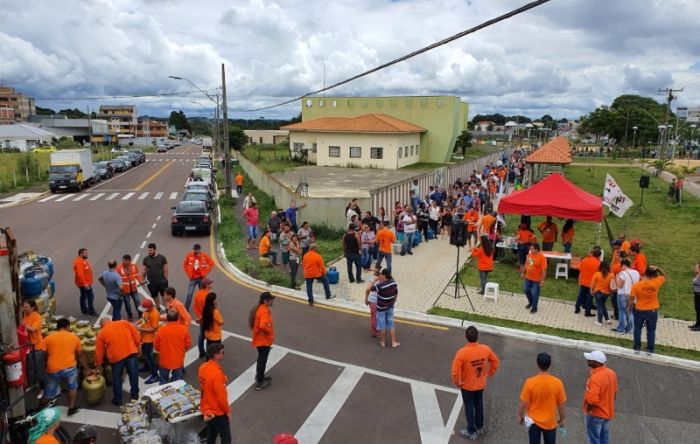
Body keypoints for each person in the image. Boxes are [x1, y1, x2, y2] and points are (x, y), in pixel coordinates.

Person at [451, 326, 500, 440]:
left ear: (466, 337)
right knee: (479, 404)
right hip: (480, 384)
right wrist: (489, 373)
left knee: (469, 406)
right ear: (478, 336)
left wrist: (458, 382)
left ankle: (471, 431)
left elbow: (455, 372)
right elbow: (495, 362)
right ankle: (480, 427)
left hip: (467, 386)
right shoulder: (485, 349)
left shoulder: (462, 353)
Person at [42, 318, 92, 417]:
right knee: (72, 387)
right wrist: (87, 369)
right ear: (67, 326)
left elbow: (43, 354)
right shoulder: (74, 337)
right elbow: (81, 355)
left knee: (49, 391)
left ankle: (42, 410)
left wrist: (45, 367)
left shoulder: (48, 338)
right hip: (69, 367)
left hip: (53, 368)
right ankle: (71, 408)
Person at [518, 352, 567, 444]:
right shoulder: (558, 383)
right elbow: (561, 406)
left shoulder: (530, 382)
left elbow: (523, 405)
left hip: (533, 422)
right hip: (550, 422)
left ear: (537, 364)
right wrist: (561, 419)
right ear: (550, 365)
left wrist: (521, 417)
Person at [95, 318, 141, 406]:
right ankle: (135, 397)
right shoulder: (124, 323)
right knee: (133, 375)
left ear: (101, 325)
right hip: (131, 352)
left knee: (117, 378)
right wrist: (138, 346)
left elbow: (99, 352)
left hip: (116, 358)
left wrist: (98, 364)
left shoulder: (101, 333)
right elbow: (135, 334)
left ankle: (118, 399)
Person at [582, 350, 618, 444]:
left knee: (593, 439)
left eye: (590, 359)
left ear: (597, 363)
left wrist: (589, 411)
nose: (588, 360)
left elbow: (592, 400)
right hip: (607, 413)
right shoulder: (611, 373)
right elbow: (614, 392)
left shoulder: (595, 378)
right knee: (604, 438)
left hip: (595, 414)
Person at [199, 343, 231, 444]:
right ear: (217, 356)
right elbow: (221, 397)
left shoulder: (203, 367)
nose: (223, 354)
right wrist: (228, 411)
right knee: (226, 438)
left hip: (207, 409)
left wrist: (223, 379)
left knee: (211, 433)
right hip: (217, 412)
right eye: (223, 352)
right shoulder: (217, 374)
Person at [630, 266, 666, 355]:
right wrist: (658, 269)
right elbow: (663, 276)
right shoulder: (656, 282)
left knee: (637, 329)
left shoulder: (636, 285)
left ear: (644, 273)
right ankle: (650, 349)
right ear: (654, 275)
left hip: (639, 309)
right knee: (651, 331)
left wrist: (629, 306)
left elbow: (631, 298)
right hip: (652, 310)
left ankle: (637, 347)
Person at [154, 309, 192, 384]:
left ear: (167, 318)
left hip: (164, 360)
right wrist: (182, 350)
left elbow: (156, 345)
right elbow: (188, 344)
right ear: (178, 318)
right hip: (178, 359)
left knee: (163, 380)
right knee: (177, 382)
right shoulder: (183, 329)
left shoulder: (161, 330)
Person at [250, 292, 275, 390]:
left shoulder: (260, 308)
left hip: (259, 339)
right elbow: (263, 325)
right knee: (262, 360)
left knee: (261, 359)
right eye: (271, 299)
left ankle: (259, 376)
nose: (272, 301)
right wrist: (270, 333)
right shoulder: (264, 311)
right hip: (263, 340)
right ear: (266, 301)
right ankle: (259, 382)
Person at [183, 244, 214, 311]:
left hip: (201, 279)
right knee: (189, 294)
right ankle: (186, 309)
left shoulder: (204, 256)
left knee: (203, 294)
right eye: (194, 249)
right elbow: (185, 264)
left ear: (199, 249)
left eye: (196, 249)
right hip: (192, 278)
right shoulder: (189, 255)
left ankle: (205, 308)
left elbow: (211, 263)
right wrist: (188, 273)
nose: (195, 251)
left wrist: (205, 272)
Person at [613, 259, 640, 334]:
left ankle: (621, 329)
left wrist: (616, 279)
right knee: (630, 312)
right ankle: (631, 328)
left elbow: (620, 285)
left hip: (623, 294)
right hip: (632, 295)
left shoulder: (623, 273)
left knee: (622, 312)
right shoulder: (636, 273)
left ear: (623, 265)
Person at [136, 298, 160, 385]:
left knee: (149, 356)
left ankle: (155, 375)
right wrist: (135, 324)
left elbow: (154, 329)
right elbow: (143, 318)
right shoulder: (147, 311)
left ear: (149, 307)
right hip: (143, 337)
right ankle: (146, 366)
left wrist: (140, 328)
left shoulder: (155, 314)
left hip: (149, 339)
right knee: (146, 355)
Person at [374, 268, 399, 348]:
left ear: (384, 276)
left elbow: (369, 288)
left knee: (382, 325)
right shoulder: (393, 283)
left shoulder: (380, 286)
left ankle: (382, 342)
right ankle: (394, 342)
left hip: (381, 309)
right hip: (390, 307)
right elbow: (395, 294)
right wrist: (393, 302)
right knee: (391, 324)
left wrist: (374, 281)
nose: (379, 275)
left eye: (380, 274)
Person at [522, 243, 547, 314]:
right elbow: (526, 264)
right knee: (526, 290)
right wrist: (523, 272)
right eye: (530, 248)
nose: (530, 249)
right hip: (528, 277)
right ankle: (531, 302)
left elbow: (544, 270)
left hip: (537, 280)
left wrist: (542, 281)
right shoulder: (530, 255)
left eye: (532, 248)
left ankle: (534, 307)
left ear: (536, 249)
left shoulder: (542, 258)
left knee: (535, 294)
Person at [116, 254, 143, 321]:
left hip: (133, 288)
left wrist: (140, 281)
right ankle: (129, 315)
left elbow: (137, 275)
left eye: (125, 261)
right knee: (127, 304)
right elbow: (117, 280)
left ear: (129, 261)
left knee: (137, 301)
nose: (123, 262)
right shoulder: (119, 268)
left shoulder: (134, 266)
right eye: (123, 261)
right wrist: (119, 290)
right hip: (125, 291)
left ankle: (140, 314)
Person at [142, 243, 169, 308]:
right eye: (148, 250)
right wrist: (142, 279)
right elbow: (144, 270)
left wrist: (165, 279)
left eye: (151, 250)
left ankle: (167, 308)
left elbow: (166, 268)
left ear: (155, 250)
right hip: (151, 283)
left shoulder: (162, 258)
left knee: (164, 296)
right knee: (155, 296)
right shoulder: (146, 259)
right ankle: (158, 308)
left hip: (162, 282)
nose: (149, 252)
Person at [576, 250, 602, 315]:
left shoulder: (584, 260)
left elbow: (580, 269)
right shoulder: (598, 264)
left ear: (592, 254)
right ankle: (587, 312)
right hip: (592, 283)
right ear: (599, 256)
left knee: (580, 295)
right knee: (589, 297)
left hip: (583, 281)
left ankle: (577, 308)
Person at [73, 248, 96, 316]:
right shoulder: (79, 262)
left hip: (85, 282)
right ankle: (91, 311)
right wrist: (85, 284)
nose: (86, 254)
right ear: (81, 254)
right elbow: (80, 274)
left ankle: (84, 310)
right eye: (85, 253)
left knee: (83, 296)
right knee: (90, 296)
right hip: (84, 283)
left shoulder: (82, 261)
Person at [193, 278, 213, 359]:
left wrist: (199, 317)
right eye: (210, 283)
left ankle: (201, 351)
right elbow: (209, 309)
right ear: (207, 285)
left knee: (201, 335)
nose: (211, 285)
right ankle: (209, 352)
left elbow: (195, 307)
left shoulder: (198, 294)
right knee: (209, 336)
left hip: (201, 319)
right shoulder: (208, 296)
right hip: (207, 319)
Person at [590, 261, 614, 326]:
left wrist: (591, 290)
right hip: (606, 294)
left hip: (597, 292)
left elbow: (593, 283)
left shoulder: (597, 274)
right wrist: (611, 293)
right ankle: (607, 319)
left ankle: (599, 321)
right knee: (603, 305)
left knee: (599, 307)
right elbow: (612, 286)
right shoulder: (611, 275)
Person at [364, 270, 381, 337]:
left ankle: (375, 331)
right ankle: (376, 332)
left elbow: (368, 289)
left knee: (374, 317)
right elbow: (368, 289)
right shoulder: (382, 279)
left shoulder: (373, 278)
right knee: (377, 317)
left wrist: (366, 299)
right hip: (378, 301)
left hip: (373, 301)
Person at [691, 262, 700, 331]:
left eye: (696, 267)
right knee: (697, 309)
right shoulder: (697, 275)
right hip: (696, 294)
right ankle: (697, 324)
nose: (695, 268)